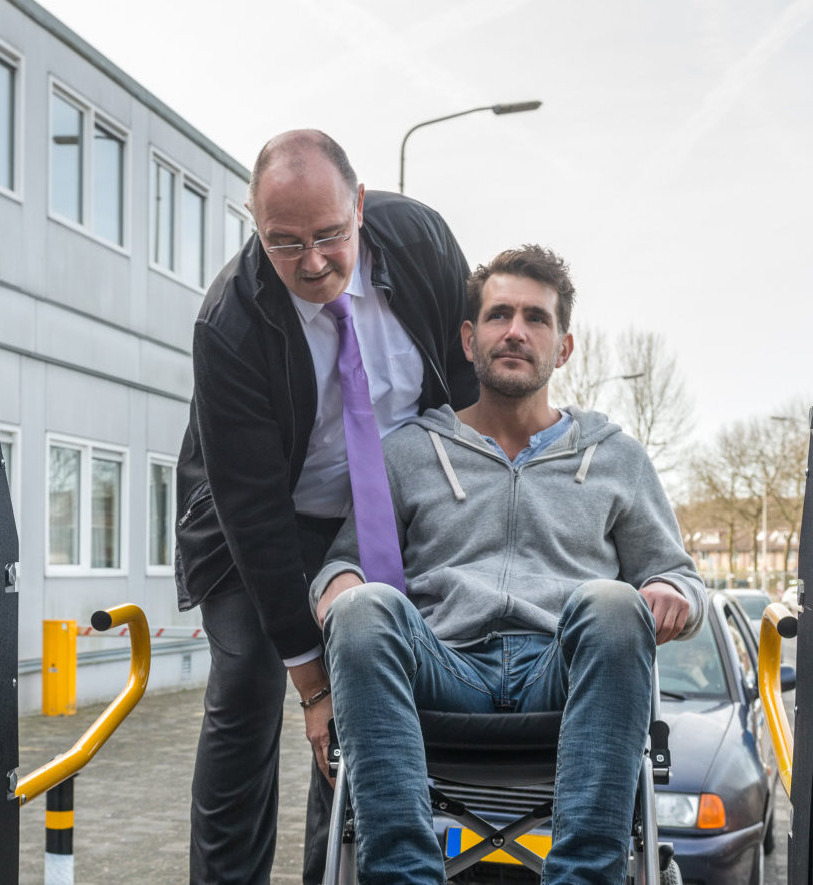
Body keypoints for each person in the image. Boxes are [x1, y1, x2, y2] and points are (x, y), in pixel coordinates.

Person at [311, 245, 707, 884]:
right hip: (444, 670)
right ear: (469, 339)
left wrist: (668, 589)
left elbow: (683, 578)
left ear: (564, 346)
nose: (515, 332)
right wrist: (343, 587)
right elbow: (341, 566)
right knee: (364, 608)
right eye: (498, 316)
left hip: (564, 670)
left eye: (535, 318)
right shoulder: (409, 453)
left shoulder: (616, 458)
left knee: (610, 601)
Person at [173, 129, 478, 885]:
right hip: (260, 520)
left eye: (328, 236)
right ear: (255, 228)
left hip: (379, 513)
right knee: (249, 683)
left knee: (363, 698)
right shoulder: (229, 325)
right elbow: (252, 510)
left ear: (361, 206)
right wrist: (308, 682)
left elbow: (465, 390)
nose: (312, 262)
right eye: (284, 243)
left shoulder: (421, 242)